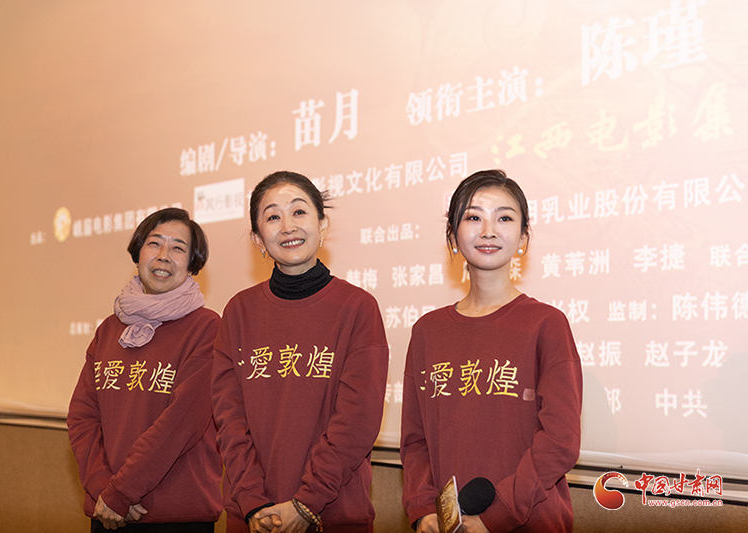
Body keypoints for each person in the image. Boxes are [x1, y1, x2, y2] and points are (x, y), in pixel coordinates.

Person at [400, 170, 582, 533]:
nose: (488, 231)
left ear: (524, 237)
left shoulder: (546, 324)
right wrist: (423, 509)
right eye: (473, 218)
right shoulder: (427, 331)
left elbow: (560, 441)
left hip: (530, 522)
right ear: (453, 236)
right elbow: (415, 440)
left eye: (504, 218)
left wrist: (494, 516)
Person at [211, 170, 389, 533]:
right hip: (252, 518)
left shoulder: (357, 307)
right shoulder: (238, 312)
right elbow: (229, 419)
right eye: (273, 217)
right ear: (258, 239)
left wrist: (306, 503)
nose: (288, 226)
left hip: (333, 514)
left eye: (299, 212)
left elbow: (358, 420)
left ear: (322, 224)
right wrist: (253, 501)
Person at [68, 207, 223, 532]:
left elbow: (180, 424)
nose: (164, 255)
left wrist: (121, 492)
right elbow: (82, 416)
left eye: (178, 247)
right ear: (138, 253)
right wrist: (103, 488)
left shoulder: (207, 328)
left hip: (175, 516)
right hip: (107, 511)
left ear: (192, 263)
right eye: (155, 243)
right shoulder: (110, 329)